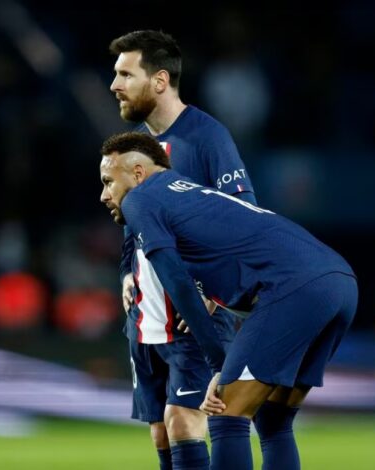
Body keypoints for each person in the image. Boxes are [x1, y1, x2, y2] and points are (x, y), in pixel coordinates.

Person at [99, 132, 358, 470]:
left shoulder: (140, 199)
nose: (105, 195)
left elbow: (176, 281)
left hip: (293, 289)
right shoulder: (189, 192)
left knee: (225, 412)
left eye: (108, 181)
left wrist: (218, 365)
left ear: (137, 173)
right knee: (273, 421)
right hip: (340, 281)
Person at [108, 30, 256, 470]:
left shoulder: (207, 137)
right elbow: (131, 221)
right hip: (146, 313)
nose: (114, 85)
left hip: (195, 314)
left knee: (183, 421)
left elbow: (243, 219)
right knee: (160, 429)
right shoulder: (136, 147)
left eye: (125, 74)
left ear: (159, 80)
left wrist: (216, 292)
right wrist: (126, 273)